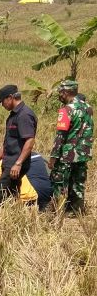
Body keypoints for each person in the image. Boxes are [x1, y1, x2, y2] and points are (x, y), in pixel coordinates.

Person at [0, 85, 37, 210]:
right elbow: (7, 144)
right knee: (11, 195)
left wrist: (18, 163)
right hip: (9, 163)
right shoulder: (13, 116)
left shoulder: (24, 115)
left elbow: (30, 141)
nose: (2, 105)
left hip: (15, 164)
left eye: (2, 101)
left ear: (10, 97)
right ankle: (14, 217)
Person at [49, 80, 94, 214]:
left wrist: (53, 157)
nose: (59, 95)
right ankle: (77, 211)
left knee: (59, 183)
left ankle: (58, 212)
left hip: (67, 154)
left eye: (60, 92)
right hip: (83, 153)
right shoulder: (88, 107)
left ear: (67, 92)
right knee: (78, 184)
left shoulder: (66, 110)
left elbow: (60, 136)